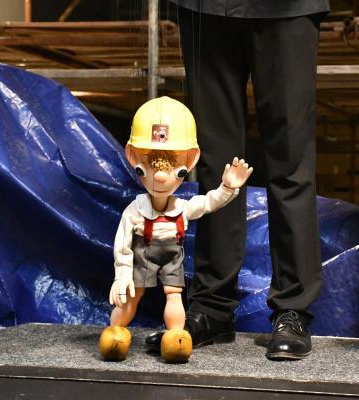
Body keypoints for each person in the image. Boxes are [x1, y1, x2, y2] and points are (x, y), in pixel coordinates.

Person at [146, 0, 330, 361]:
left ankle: (292, 309)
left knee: (290, 159)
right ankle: (211, 308)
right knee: (215, 162)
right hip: (206, 6)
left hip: (288, 9)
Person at [99, 96, 252, 363]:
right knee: (131, 296)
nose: (160, 176)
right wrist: (121, 275)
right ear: (134, 159)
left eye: (175, 170)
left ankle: (177, 336)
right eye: (147, 167)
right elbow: (123, 245)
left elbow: (209, 203)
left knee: (174, 294)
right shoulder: (136, 210)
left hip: (171, 257)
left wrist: (227, 188)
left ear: (189, 164)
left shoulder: (181, 208)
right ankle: (115, 331)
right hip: (142, 255)